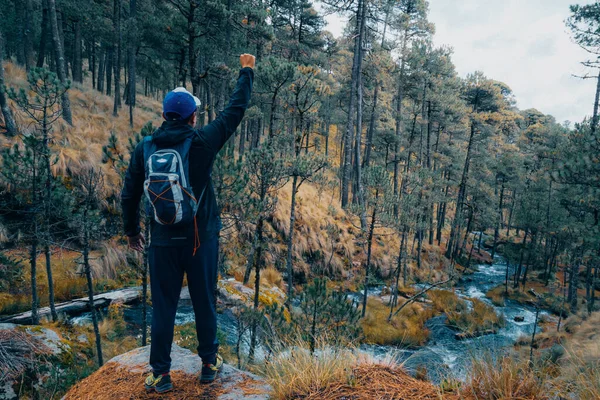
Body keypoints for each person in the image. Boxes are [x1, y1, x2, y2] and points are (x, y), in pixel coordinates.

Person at [121, 54, 255, 393]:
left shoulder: (145, 147)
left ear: (165, 115)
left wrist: (132, 232)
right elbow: (235, 110)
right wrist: (246, 71)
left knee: (164, 307)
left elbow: (129, 193)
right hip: (201, 239)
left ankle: (161, 374)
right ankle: (209, 365)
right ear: (192, 116)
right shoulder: (202, 142)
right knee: (203, 301)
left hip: (162, 242)